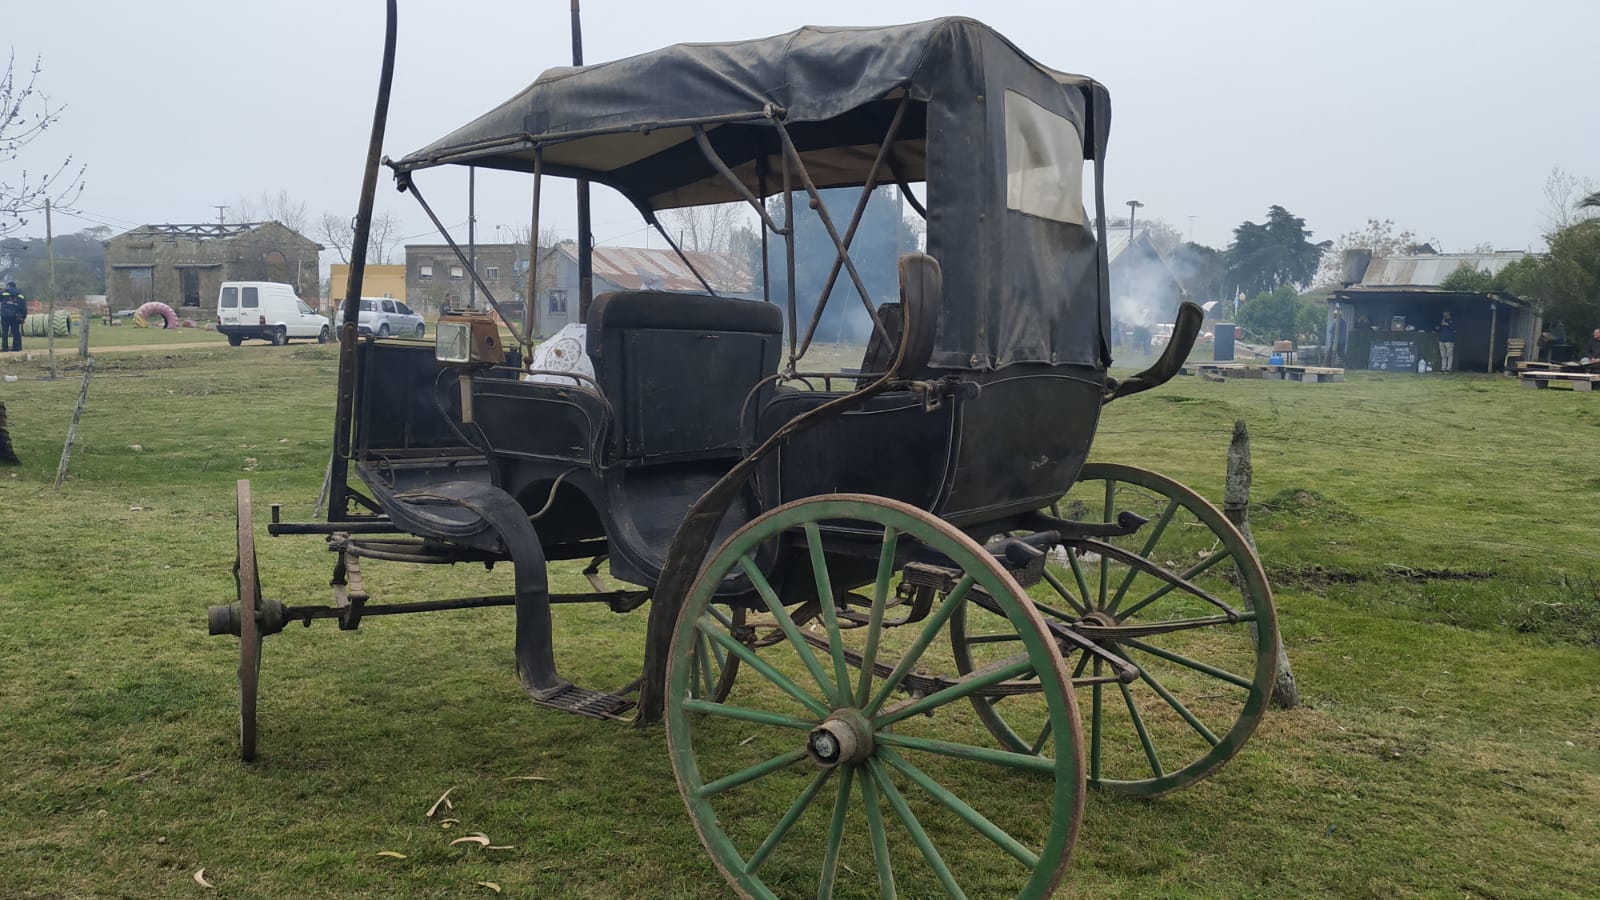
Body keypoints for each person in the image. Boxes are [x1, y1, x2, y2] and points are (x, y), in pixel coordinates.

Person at [0, 281, 26, 352]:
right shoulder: (20, 295)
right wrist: (23, 317)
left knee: (5, 332)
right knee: (16, 332)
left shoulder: (4, 292)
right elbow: (24, 307)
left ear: (9, 286)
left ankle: (5, 348)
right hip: (15, 315)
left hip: (5, 315)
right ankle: (16, 348)